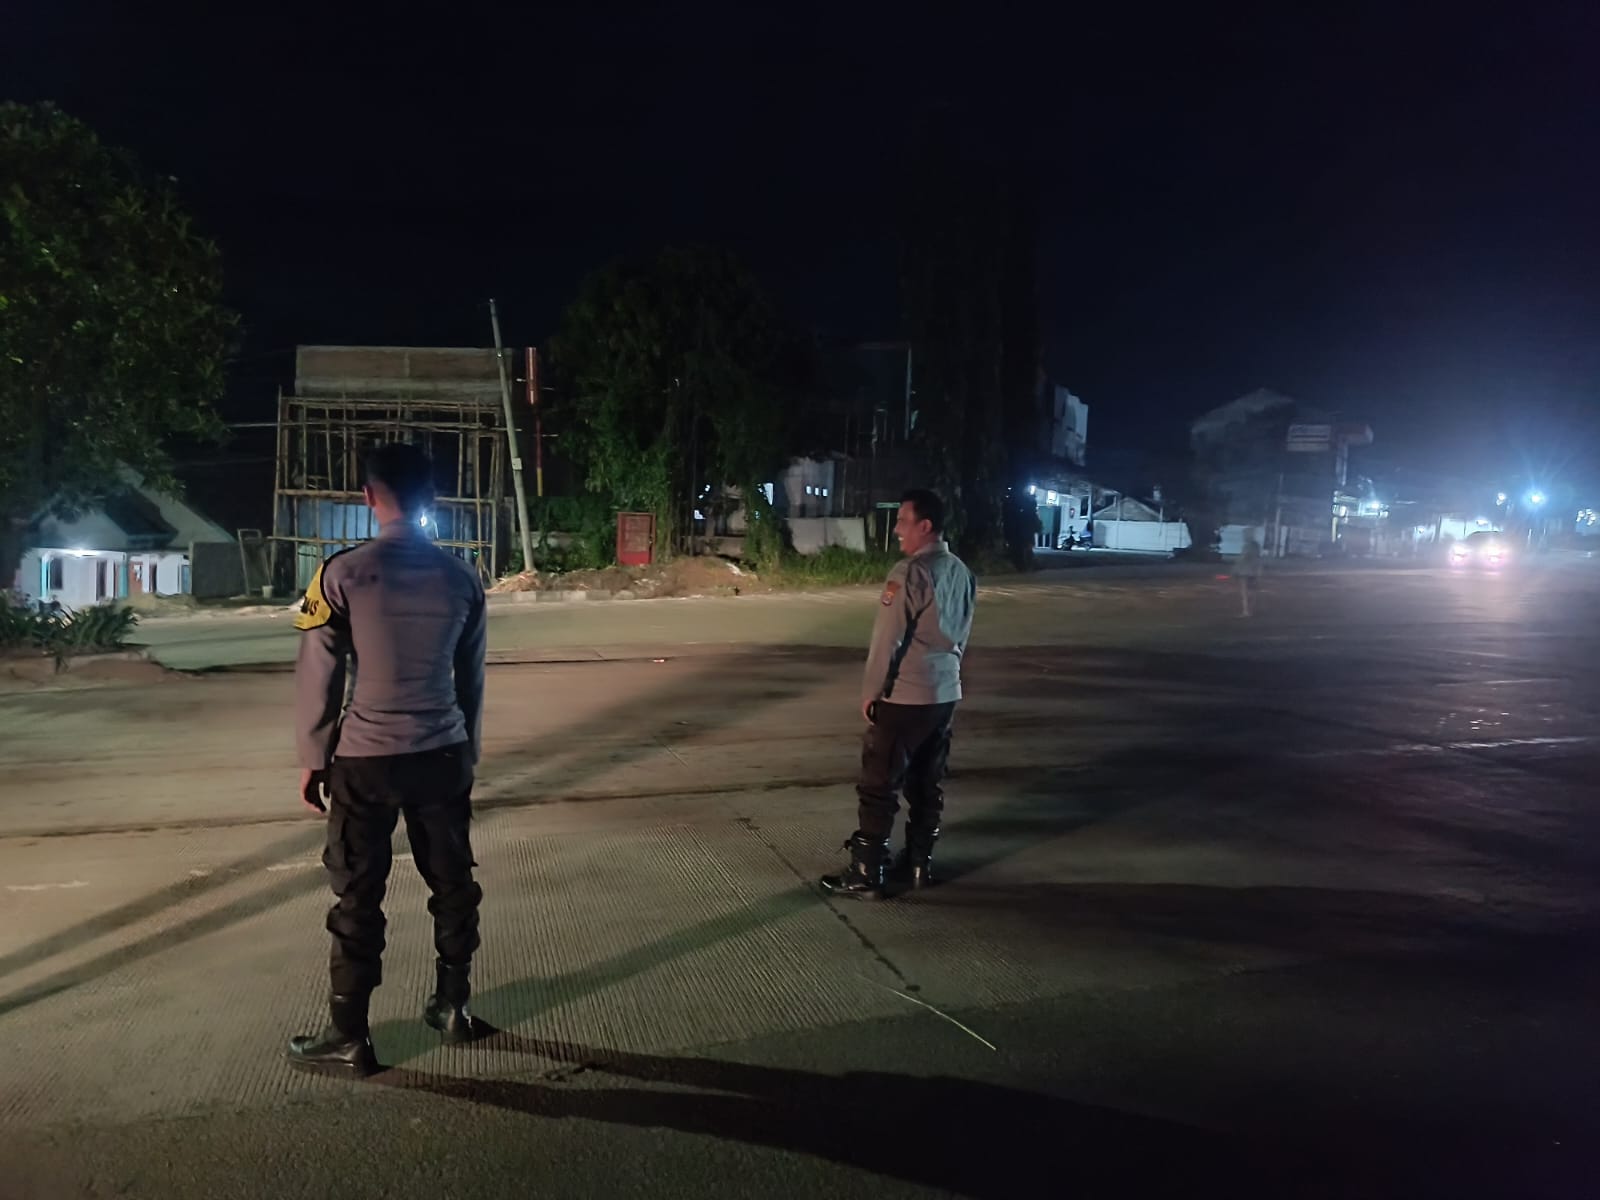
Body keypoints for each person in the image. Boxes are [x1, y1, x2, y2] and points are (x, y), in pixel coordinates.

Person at [286, 443, 489, 1077]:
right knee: (453, 884)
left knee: (357, 895)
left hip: (365, 761)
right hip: (442, 755)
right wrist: (467, 751)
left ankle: (350, 1035)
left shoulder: (338, 574)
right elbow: (471, 680)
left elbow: (318, 674)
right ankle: (453, 1007)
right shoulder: (463, 578)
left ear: (369, 497)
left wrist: (313, 756)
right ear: (431, 498)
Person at [820, 489, 977, 900]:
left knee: (879, 783)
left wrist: (872, 691)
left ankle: (866, 871)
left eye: (904, 521)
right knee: (927, 782)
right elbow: (962, 633)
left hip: (906, 695)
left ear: (925, 526)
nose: (897, 530)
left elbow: (887, 639)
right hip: (945, 693)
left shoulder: (910, 572)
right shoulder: (961, 571)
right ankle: (920, 863)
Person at [1236, 530, 1264, 617]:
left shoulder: (1247, 546)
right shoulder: (1257, 546)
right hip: (1254, 571)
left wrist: (1236, 567)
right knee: (1253, 591)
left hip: (1245, 571)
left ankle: (1246, 611)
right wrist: (1259, 571)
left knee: (1244, 592)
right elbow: (1259, 559)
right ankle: (1250, 610)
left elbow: (1243, 557)